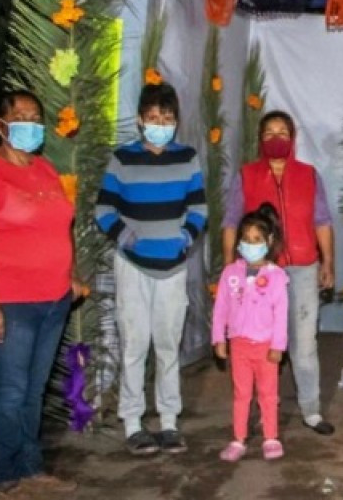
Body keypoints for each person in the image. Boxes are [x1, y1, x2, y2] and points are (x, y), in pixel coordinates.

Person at [96, 83, 207, 456]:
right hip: (132, 267)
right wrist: (123, 235)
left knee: (167, 345)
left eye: (167, 118)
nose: (160, 124)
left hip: (173, 267)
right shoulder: (123, 159)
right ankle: (132, 422)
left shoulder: (187, 157)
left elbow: (199, 209)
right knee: (134, 344)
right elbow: (104, 209)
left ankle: (170, 421)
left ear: (176, 122)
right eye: (153, 118)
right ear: (141, 120)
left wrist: (186, 238)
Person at [0, 90, 81, 496]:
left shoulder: (44, 169)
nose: (31, 123)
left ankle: (31, 464)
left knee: (35, 388)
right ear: (0, 124)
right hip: (9, 302)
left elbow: (60, 227)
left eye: (35, 116)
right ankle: (1, 471)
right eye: (20, 116)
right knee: (8, 392)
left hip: (54, 299)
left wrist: (70, 275)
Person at [222, 111, 336, 436]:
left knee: (304, 344)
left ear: (293, 138)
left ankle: (311, 410)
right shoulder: (246, 176)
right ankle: (264, 409)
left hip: (302, 269)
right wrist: (231, 266)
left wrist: (327, 263)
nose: (276, 138)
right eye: (269, 132)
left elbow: (322, 221)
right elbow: (231, 223)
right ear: (260, 139)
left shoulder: (309, 175)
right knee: (259, 343)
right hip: (259, 273)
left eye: (282, 132)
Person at [213, 204, 289, 462]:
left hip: (266, 345)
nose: (250, 244)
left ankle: (271, 437)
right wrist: (218, 338)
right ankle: (238, 438)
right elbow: (220, 307)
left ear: (269, 241)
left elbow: (281, 314)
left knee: (268, 394)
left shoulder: (277, 277)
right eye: (246, 239)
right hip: (239, 344)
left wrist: (278, 345)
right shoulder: (230, 273)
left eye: (256, 239)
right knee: (241, 394)